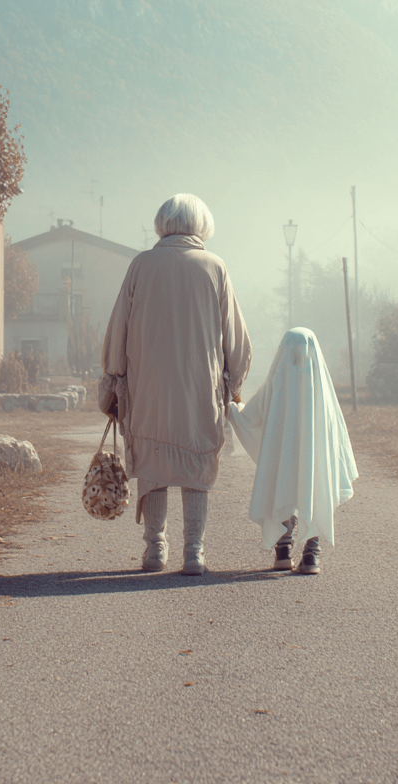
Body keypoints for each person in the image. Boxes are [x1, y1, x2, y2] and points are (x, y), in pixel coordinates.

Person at [99, 193, 252, 575]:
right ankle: (194, 552)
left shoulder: (141, 265)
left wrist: (113, 378)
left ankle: (155, 549)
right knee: (196, 465)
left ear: (162, 223)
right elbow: (236, 338)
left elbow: (119, 328)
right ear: (202, 225)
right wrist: (233, 383)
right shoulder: (215, 267)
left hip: (148, 388)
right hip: (199, 388)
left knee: (153, 465)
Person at [228, 327, 358, 574]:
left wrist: (234, 407)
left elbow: (251, 416)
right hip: (314, 461)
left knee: (282, 486)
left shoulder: (276, 383)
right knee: (316, 487)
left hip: (282, 459)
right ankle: (312, 553)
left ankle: (283, 549)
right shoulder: (323, 391)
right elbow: (336, 432)